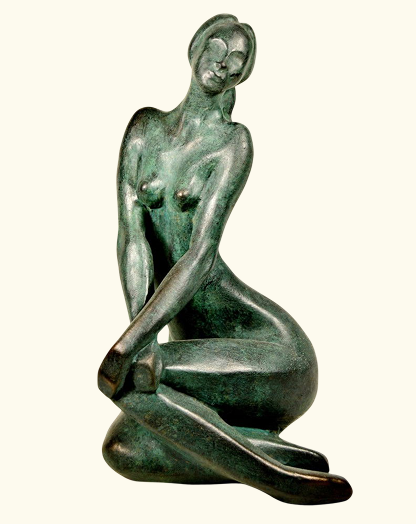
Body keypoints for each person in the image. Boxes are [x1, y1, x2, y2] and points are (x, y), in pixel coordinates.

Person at [98, 14, 352, 505]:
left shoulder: (233, 142)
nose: (225, 64)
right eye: (218, 48)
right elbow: (132, 238)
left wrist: (130, 346)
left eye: (239, 61)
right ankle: (264, 453)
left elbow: (199, 255)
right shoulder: (144, 129)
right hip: (197, 359)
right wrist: (139, 338)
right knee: (123, 449)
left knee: (128, 383)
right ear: (196, 48)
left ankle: (270, 476)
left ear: (243, 75)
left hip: (277, 358)